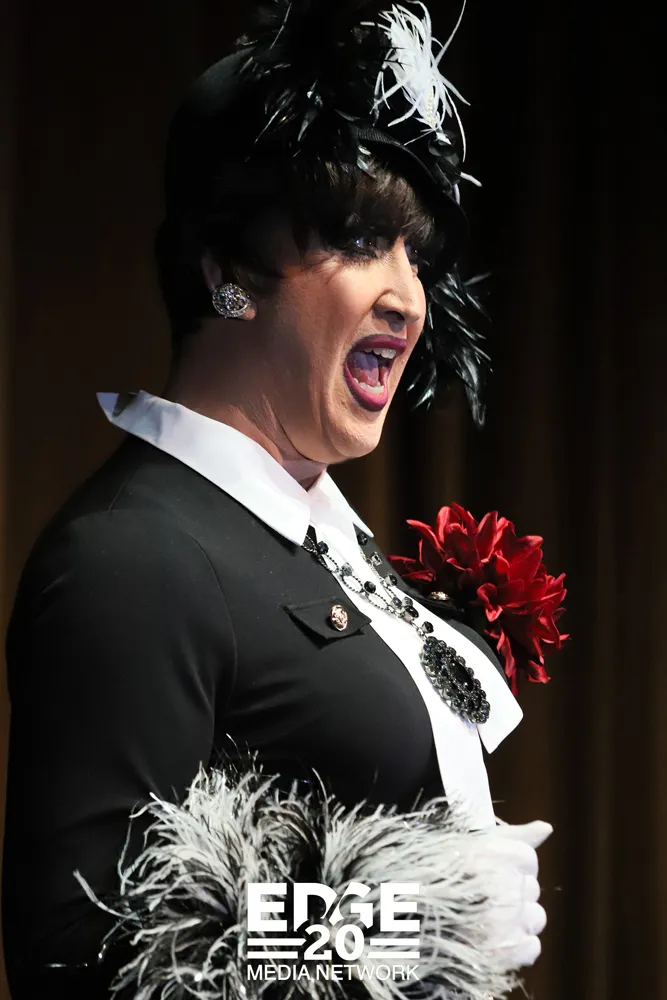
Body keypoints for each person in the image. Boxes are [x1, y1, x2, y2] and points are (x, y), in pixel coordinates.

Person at [2, 2, 552, 998]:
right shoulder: (134, 558)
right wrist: (407, 921)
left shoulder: (313, 535)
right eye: (359, 239)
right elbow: (80, 954)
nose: (408, 296)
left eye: (415, 254)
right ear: (226, 272)